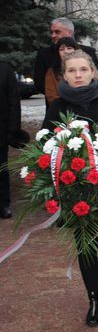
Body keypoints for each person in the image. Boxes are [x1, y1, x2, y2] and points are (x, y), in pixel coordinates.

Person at [42, 50, 98, 326]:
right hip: (74, 191)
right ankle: (94, 300)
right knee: (85, 246)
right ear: (63, 75)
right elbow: (46, 146)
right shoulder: (57, 107)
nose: (78, 75)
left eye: (83, 69)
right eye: (71, 71)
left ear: (93, 72)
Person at [33, 17, 98, 100]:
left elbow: (96, 78)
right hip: (56, 105)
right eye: (52, 32)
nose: (53, 35)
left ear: (70, 32)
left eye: (57, 32)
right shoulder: (44, 54)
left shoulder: (88, 52)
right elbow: (39, 82)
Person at [0, 62, 21, 219]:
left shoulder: (5, 69)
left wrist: (13, 129)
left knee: (1, 168)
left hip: (1, 129)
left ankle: (3, 204)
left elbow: (14, 101)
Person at [44, 37, 78, 105]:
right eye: (61, 49)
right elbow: (51, 96)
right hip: (63, 110)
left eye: (69, 48)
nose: (65, 51)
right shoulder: (52, 72)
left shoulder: (85, 67)